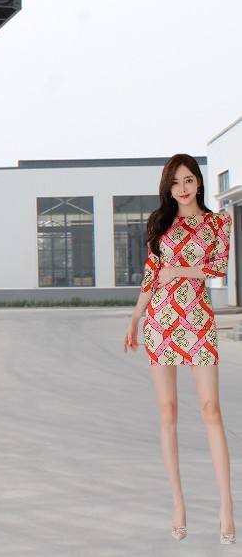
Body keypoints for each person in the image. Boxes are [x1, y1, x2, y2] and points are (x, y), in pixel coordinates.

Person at [123, 153, 235, 544]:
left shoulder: (218, 223)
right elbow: (151, 275)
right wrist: (135, 317)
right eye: (175, 183)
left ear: (199, 182)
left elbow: (219, 268)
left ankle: (226, 506)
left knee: (211, 410)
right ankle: (178, 503)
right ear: (168, 188)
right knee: (167, 411)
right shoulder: (160, 223)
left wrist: (179, 270)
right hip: (160, 322)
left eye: (188, 180)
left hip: (198, 321)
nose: (182, 188)